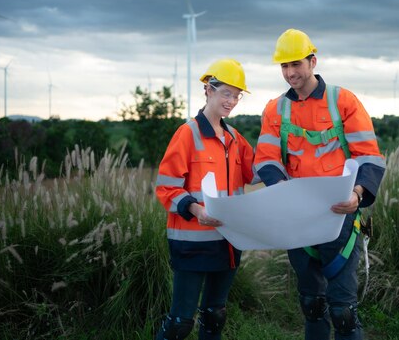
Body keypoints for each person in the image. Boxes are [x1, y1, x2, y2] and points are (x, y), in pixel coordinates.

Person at [254, 29, 386, 340]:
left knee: (342, 311)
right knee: (311, 304)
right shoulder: (275, 109)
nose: (290, 73)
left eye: (296, 64)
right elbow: (267, 160)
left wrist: (357, 195)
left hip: (340, 215)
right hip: (297, 217)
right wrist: (284, 192)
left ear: (313, 61)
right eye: (284, 67)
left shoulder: (343, 100)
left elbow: (369, 156)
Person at [154, 58, 256, 340]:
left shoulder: (236, 138)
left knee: (214, 316)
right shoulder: (187, 134)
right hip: (192, 243)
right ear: (208, 90)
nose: (232, 101)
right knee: (180, 322)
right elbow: (167, 187)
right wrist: (197, 210)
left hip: (228, 242)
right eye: (226, 93)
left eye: (237, 96)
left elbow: (258, 173)